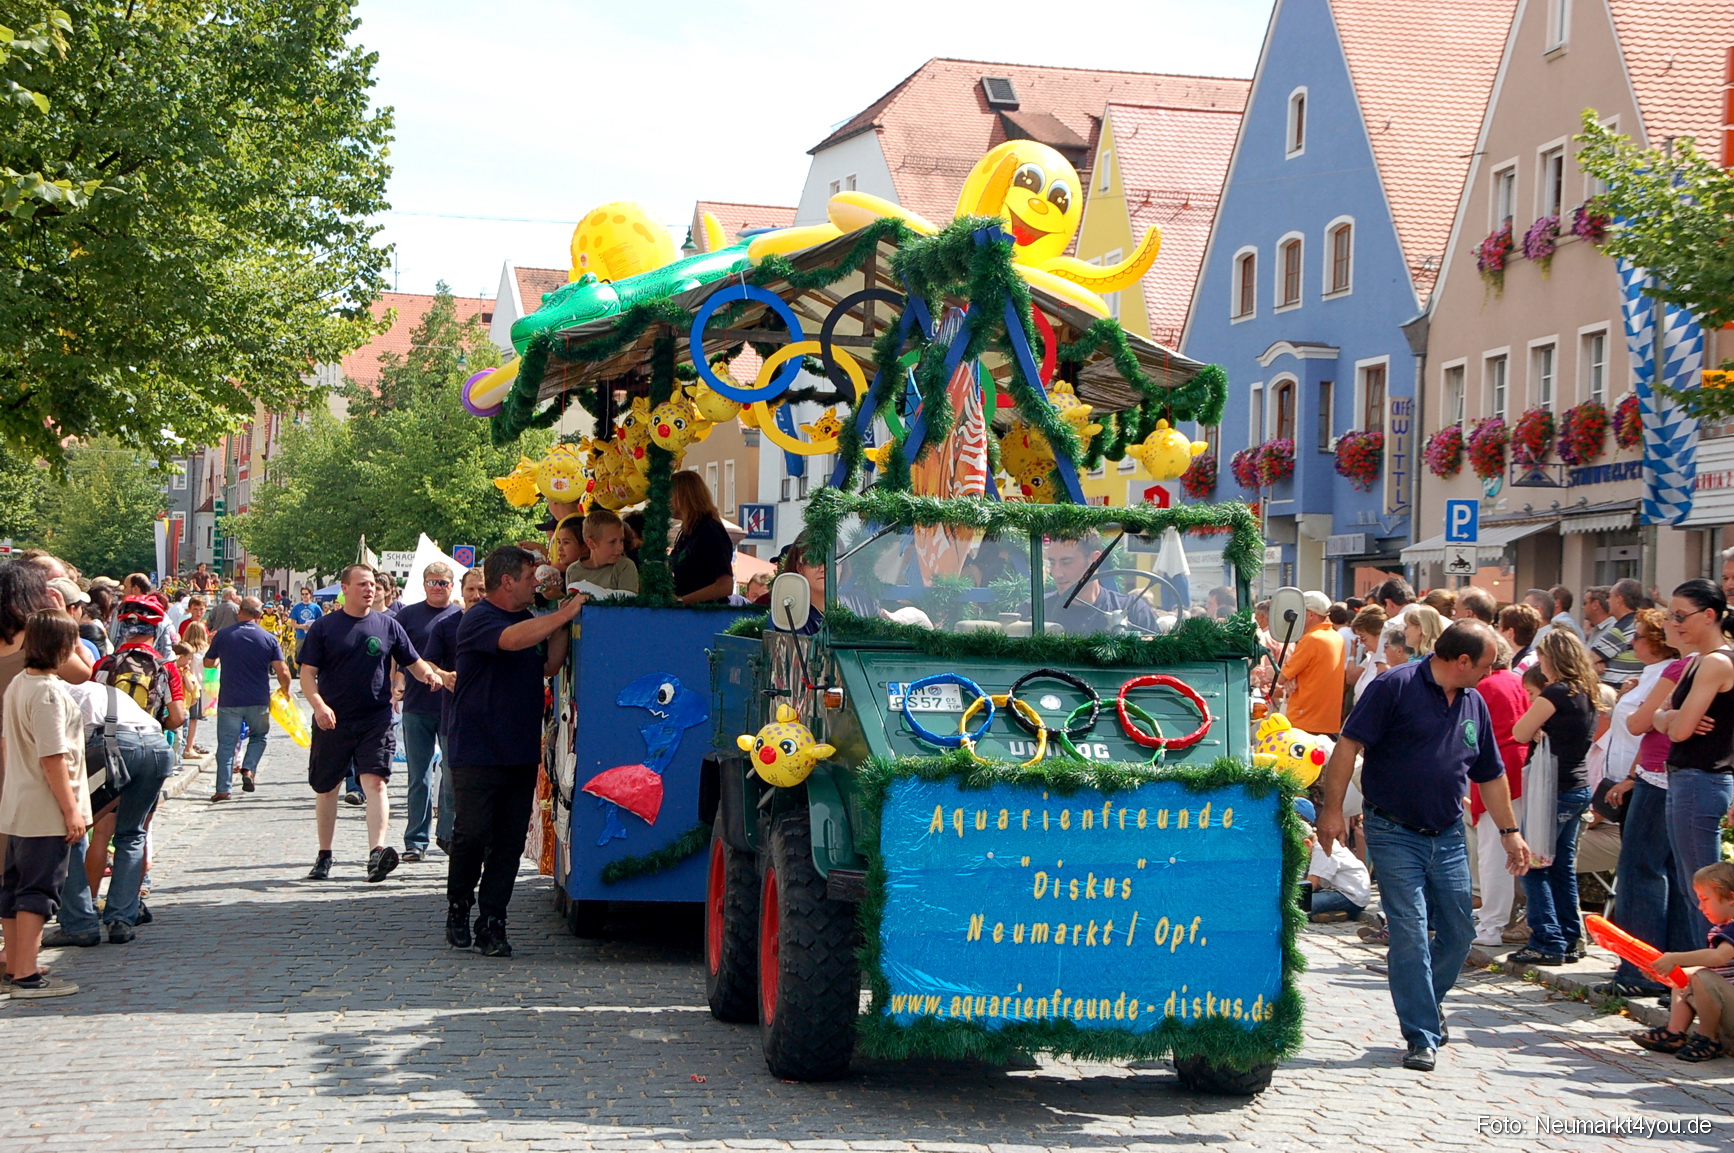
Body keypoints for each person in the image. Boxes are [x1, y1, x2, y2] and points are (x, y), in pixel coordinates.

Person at [1315, 620, 1530, 1071]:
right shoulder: (1395, 685)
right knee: (1410, 930)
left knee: (1459, 931)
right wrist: (1331, 810)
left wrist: (1511, 834)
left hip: (1448, 833)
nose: (1491, 673)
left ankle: (1426, 1006)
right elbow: (1348, 746)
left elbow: (1489, 774)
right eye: (1486, 665)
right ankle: (1421, 1034)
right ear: (1462, 660)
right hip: (1393, 831)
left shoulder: (1475, 701)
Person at [445, 546, 584, 956]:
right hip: (476, 747)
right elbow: (509, 642)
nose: (533, 584)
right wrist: (561, 615)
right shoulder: (479, 619)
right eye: (528, 577)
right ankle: (459, 906)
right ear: (506, 581)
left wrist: (559, 621)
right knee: (471, 834)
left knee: (507, 841)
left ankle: (493, 920)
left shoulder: (530, 620)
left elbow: (549, 666)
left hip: (519, 746)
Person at [297, 564, 443, 884]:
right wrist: (319, 705)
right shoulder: (325, 627)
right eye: (362, 584)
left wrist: (429, 675)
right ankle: (324, 854)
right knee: (328, 787)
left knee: (375, 782)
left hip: (376, 717)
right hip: (332, 720)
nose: (370, 589)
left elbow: (413, 661)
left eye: (373, 584)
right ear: (345, 589)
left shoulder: (387, 626)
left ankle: (376, 853)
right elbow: (307, 673)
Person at [1598, 608, 1689, 997]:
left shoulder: (1678, 669)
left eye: (1637, 636)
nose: (1631, 643)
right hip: (1654, 772)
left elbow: (1640, 726)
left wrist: (1658, 715)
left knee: (1641, 871)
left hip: (1660, 777)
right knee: (1668, 873)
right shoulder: (1682, 668)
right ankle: (1670, 967)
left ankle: (1641, 969)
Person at [0, 610, 90, 997]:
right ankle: (27, 974)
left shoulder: (20, 683)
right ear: (63, 646)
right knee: (39, 891)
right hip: (45, 807)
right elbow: (53, 756)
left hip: (18, 801)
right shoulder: (49, 692)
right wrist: (71, 810)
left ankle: (15, 965)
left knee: (14, 888)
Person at [56, 672, 177, 945]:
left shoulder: (55, 691)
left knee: (73, 830)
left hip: (116, 746)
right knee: (132, 833)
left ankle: (79, 923)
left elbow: (68, 750)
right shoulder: (99, 690)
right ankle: (122, 919)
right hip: (157, 747)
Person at [1507, 630, 1602, 965]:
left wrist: (1533, 727)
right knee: (1562, 867)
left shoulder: (1556, 692)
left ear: (1553, 658)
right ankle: (1571, 937)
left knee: (1533, 864)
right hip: (1578, 787)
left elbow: (1518, 732)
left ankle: (1547, 938)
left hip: (1552, 790)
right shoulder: (1587, 692)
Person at [1654, 578, 1734, 944]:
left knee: (1704, 894)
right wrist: (1670, 718)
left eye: (1681, 615)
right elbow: (1659, 717)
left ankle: (1714, 978)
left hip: (1701, 780)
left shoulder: (1716, 663)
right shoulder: (1695, 663)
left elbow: (1678, 728)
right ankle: (1703, 979)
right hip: (1689, 780)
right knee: (1695, 891)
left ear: (1709, 616)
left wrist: (1671, 720)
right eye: (1671, 615)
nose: (1673, 623)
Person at [392, 563, 460, 863]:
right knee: (418, 777)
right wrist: (396, 681)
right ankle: (415, 841)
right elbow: (396, 654)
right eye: (432, 582)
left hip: (451, 708)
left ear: (451, 585)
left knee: (451, 775)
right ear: (423, 584)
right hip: (417, 705)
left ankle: (448, 835)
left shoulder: (460, 616)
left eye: (443, 583)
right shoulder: (407, 616)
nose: (437, 587)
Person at [1634, 862, 1734, 1061]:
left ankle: (1708, 1039)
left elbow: (1718, 957)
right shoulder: (1721, 929)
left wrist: (1675, 957)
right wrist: (1666, 970)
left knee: (1701, 976)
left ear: (1731, 898)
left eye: (1705, 899)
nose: (1700, 906)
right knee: (1682, 975)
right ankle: (1675, 1032)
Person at [1468, 634, 1528, 947]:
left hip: (1497, 769)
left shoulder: (1487, 686)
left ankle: (1492, 924)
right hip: (1520, 765)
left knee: (1494, 851)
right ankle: (1498, 917)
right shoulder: (1516, 681)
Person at [423, 567, 487, 854]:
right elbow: (428, 662)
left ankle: (481, 838)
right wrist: (443, 674)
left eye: (482, 589)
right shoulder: (446, 626)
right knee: (452, 779)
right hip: (455, 717)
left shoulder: (500, 624)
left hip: (490, 718)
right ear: (462, 591)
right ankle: (450, 836)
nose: (476, 595)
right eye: (471, 589)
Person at [203, 596, 291, 801]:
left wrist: (218, 661)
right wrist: (284, 689)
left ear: (239, 611)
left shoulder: (223, 635)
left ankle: (223, 789)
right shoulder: (268, 638)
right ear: (260, 615)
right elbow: (283, 670)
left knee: (226, 745)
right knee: (259, 736)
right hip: (258, 698)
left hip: (230, 699)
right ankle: (249, 769)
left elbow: (208, 663)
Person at [1044, 534, 1159, 636]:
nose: (1056, 573)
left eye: (1066, 562)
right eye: (1052, 563)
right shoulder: (1037, 610)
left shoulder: (1134, 610)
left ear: (1095, 560)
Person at [1276, 591, 1346, 736]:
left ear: (1311, 614)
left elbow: (1281, 677)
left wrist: (1281, 674)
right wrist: (1292, 677)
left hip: (1304, 720)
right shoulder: (1337, 637)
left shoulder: (1312, 639)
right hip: (1329, 722)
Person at [669, 470, 735, 605]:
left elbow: (725, 585)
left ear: (682, 496)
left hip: (706, 616)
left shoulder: (709, 530)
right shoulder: (687, 532)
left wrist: (682, 601)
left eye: (668, 495)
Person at [1305, 821, 1371, 922]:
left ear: (1307, 843)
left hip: (1350, 896)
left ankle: (1335, 910)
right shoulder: (1322, 843)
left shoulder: (1322, 847)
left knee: (1300, 904)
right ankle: (1332, 913)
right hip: (1340, 891)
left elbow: (1311, 884)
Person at [570, 509, 639, 594]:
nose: (620, 548)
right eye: (612, 542)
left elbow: (627, 603)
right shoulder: (573, 571)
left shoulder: (625, 566)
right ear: (591, 543)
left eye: (621, 540)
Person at [1590, 578, 1644, 687]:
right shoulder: (1638, 623)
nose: (1607, 601)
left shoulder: (1623, 629)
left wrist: (1593, 664)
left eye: (1610, 596)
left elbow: (1585, 661)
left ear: (1619, 599)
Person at [1347, 605, 1388, 707]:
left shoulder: (1388, 660)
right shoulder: (1371, 656)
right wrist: (1352, 654)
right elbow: (1351, 678)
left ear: (1379, 634)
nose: (1361, 642)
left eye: (1363, 637)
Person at [1498, 603, 1541, 672]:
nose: (1497, 632)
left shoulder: (1522, 667)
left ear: (1510, 632)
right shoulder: (1534, 659)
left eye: (1499, 626)